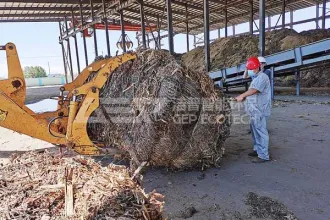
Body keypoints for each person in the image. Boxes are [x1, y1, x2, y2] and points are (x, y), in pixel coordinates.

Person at [236, 57, 271, 163]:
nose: (250, 71)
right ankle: (257, 149)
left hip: (259, 110)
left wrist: (242, 95)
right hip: (254, 110)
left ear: (257, 68)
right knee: (255, 131)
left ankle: (264, 155)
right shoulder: (256, 77)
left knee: (261, 132)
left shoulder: (262, 77)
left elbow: (254, 90)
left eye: (252, 69)